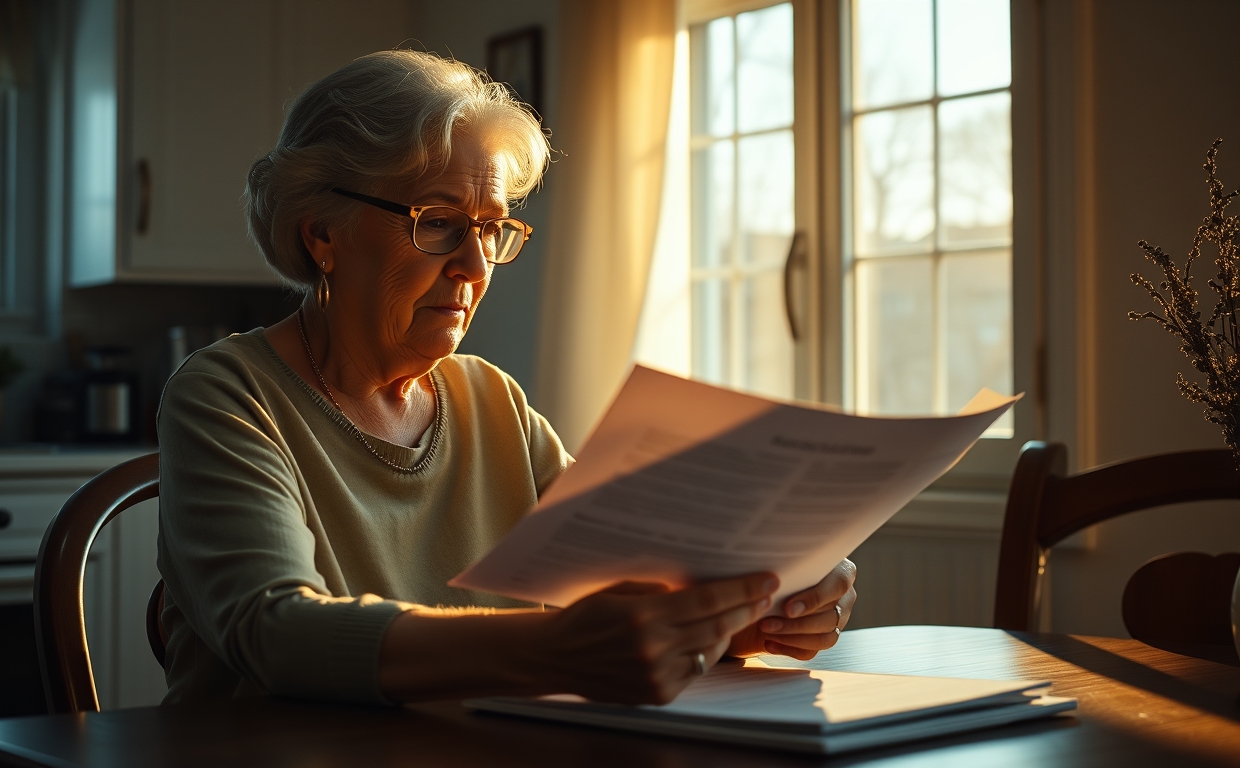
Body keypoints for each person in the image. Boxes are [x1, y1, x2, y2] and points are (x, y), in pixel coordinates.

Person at [156, 49, 857, 706]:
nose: (476, 266)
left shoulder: (490, 399)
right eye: (438, 223)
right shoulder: (228, 394)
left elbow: (635, 591)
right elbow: (272, 630)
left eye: (492, 228)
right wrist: (553, 650)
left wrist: (754, 612)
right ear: (322, 234)